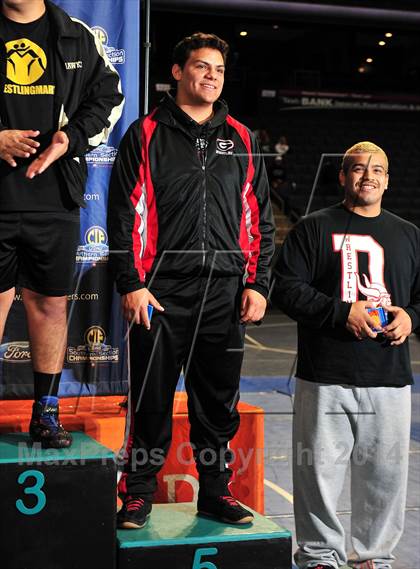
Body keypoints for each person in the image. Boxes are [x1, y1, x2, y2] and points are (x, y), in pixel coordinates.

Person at [108, 32, 275, 529]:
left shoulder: (242, 138)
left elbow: (258, 219)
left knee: (218, 404)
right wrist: (130, 283)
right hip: (159, 293)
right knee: (151, 401)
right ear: (178, 72)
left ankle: (216, 493)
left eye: (219, 71)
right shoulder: (146, 133)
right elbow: (122, 217)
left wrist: (258, 283)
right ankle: (137, 493)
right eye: (201, 67)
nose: (211, 77)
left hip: (224, 293)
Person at [274, 141, 420, 569]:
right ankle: (320, 555)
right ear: (343, 176)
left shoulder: (409, 235)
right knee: (318, 476)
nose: (368, 176)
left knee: (385, 479)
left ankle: (372, 557)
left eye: (377, 170)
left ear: (388, 180)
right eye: (358, 169)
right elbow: (287, 288)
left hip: (389, 378)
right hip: (326, 374)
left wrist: (411, 318)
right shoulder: (314, 228)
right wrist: (343, 313)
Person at [0, 0, 124, 448]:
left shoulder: (75, 34)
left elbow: (109, 98)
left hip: (55, 200)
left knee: (50, 306)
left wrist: (70, 139)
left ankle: (45, 415)